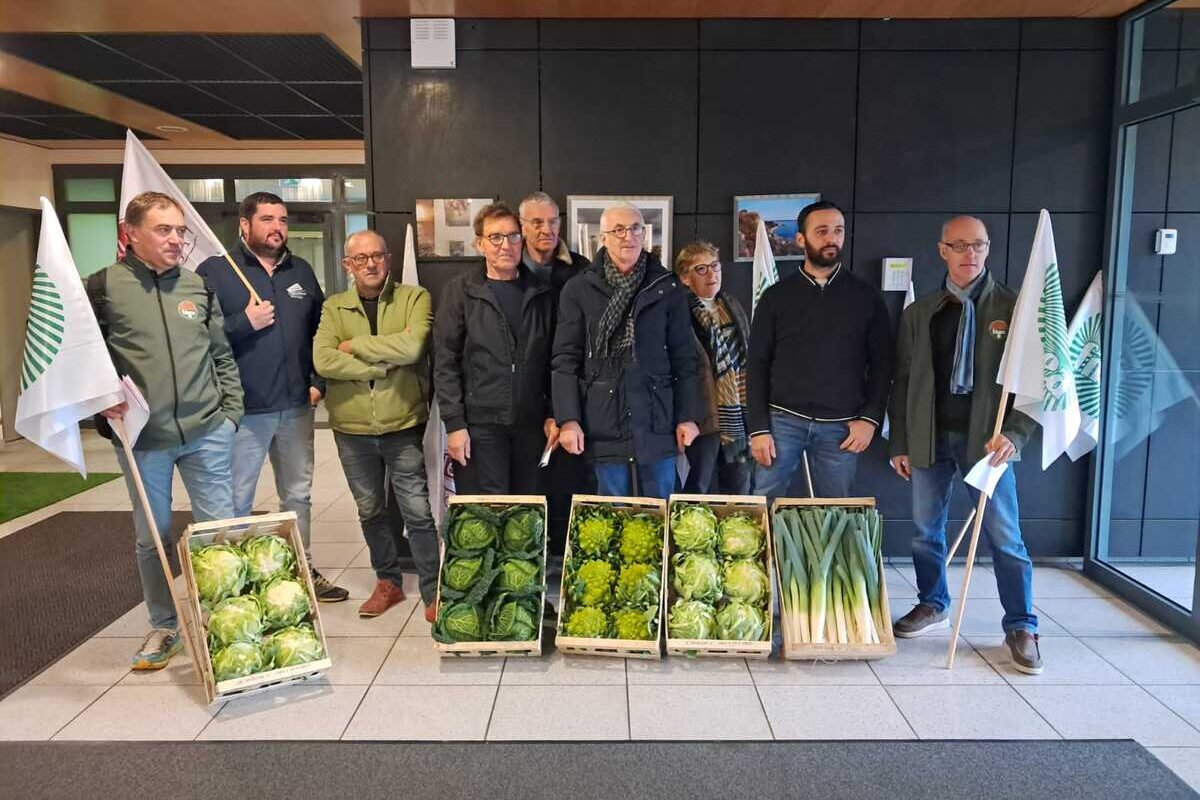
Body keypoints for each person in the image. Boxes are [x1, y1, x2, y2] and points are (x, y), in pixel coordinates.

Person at [88, 191, 243, 670]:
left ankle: (225, 620)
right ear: (130, 233)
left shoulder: (197, 287)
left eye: (180, 230)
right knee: (150, 534)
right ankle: (165, 626)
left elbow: (220, 353)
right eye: (164, 230)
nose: (176, 239)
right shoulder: (102, 287)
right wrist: (100, 404)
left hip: (206, 430)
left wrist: (230, 414)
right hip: (142, 439)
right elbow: (83, 362)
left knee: (219, 530)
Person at [888, 215, 1042, 674]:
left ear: (988, 248)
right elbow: (905, 380)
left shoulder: (1014, 306)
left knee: (1004, 538)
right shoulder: (921, 312)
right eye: (959, 246)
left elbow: (1037, 382)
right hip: (930, 438)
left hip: (987, 441)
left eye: (978, 245)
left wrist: (1015, 434)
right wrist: (900, 440)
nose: (969, 254)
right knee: (924, 531)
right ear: (942, 251)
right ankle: (933, 603)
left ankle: (1022, 624)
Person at [197, 192, 347, 602]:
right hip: (243, 410)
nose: (277, 227)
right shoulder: (216, 272)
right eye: (267, 219)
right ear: (245, 225)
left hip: (297, 406)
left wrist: (320, 381)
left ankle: (302, 569)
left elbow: (323, 331)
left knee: (297, 494)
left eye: (282, 219)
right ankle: (237, 582)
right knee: (237, 498)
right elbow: (198, 338)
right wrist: (244, 322)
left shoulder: (300, 271)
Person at [313, 229, 440, 621]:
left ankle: (435, 590)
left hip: (402, 422)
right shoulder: (334, 307)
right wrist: (383, 362)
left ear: (388, 260)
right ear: (347, 265)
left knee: (417, 511)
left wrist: (352, 347)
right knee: (370, 510)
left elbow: (413, 347)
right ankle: (388, 582)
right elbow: (323, 360)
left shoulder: (414, 298)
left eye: (378, 256)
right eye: (361, 258)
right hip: (352, 430)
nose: (371, 264)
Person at [552, 202, 702, 499]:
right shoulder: (579, 289)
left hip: (658, 419)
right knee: (610, 518)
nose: (628, 236)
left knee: (662, 512)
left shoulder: (667, 287)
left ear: (643, 235)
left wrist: (688, 416)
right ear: (603, 238)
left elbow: (685, 358)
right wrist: (568, 420)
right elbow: (565, 360)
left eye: (635, 228)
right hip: (602, 420)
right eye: (618, 230)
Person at [747, 201, 893, 502]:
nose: (831, 238)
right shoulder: (776, 297)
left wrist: (870, 419)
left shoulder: (866, 297)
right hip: (781, 422)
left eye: (838, 231)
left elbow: (883, 364)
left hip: (842, 427)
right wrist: (758, 428)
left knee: (836, 511)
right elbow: (757, 364)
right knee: (763, 503)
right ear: (801, 239)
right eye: (822, 231)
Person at [434, 203, 556, 494]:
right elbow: (445, 361)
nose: (506, 245)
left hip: (531, 424)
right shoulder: (461, 291)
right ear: (480, 243)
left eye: (513, 237)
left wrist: (554, 413)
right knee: (489, 511)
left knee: (528, 514)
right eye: (496, 237)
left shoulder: (541, 292)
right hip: (481, 426)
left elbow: (554, 359)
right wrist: (455, 425)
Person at [674, 241, 753, 495]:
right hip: (703, 418)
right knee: (699, 489)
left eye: (715, 266)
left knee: (740, 488)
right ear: (685, 278)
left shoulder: (731, 305)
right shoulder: (678, 313)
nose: (712, 274)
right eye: (701, 269)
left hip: (738, 418)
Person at [518, 191, 590, 293]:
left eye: (553, 222)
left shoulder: (582, 269)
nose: (547, 230)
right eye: (537, 223)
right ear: (523, 227)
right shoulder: (509, 268)